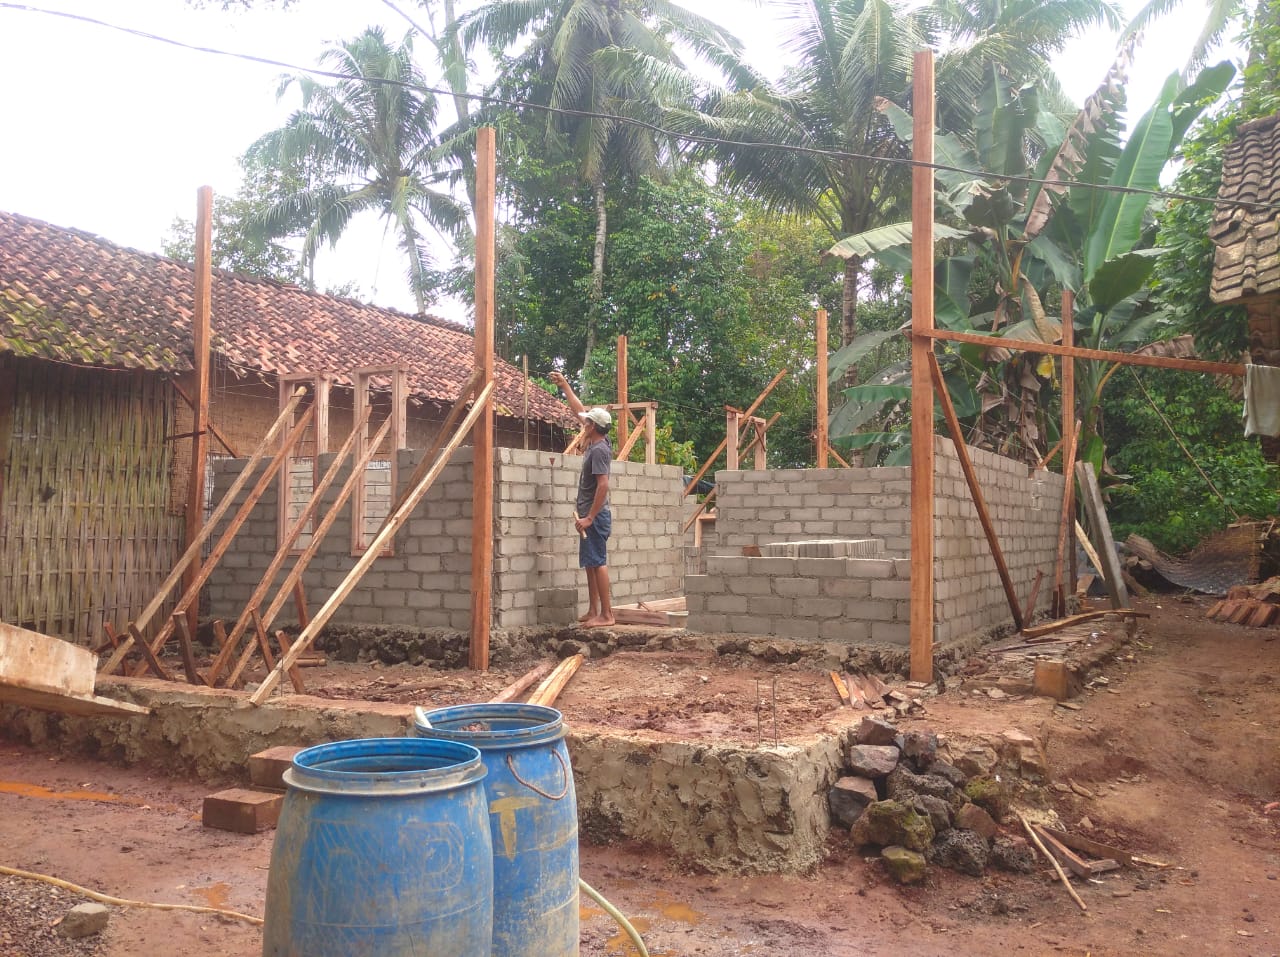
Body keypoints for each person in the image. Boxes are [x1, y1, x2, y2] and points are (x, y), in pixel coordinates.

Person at [549, 372, 614, 627]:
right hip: (589, 514)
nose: (583, 422)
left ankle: (607, 615)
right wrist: (565, 385)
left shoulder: (598, 450)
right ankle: (593, 610)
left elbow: (603, 485)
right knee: (590, 562)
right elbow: (578, 410)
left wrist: (590, 517)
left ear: (593, 427)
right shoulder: (598, 440)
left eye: (587, 422)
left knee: (598, 562)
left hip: (594, 517)